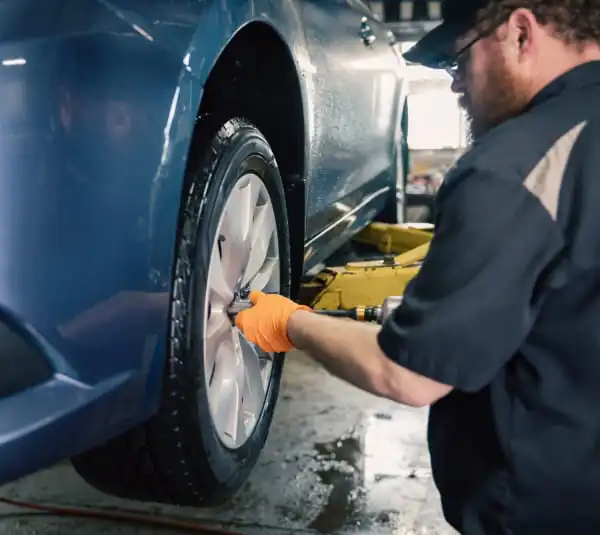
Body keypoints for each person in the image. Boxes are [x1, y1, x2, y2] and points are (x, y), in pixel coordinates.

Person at [235, 0, 600, 534]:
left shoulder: (512, 168)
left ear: (520, 33)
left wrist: (290, 322)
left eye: (458, 60)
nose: (455, 85)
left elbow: (409, 375)